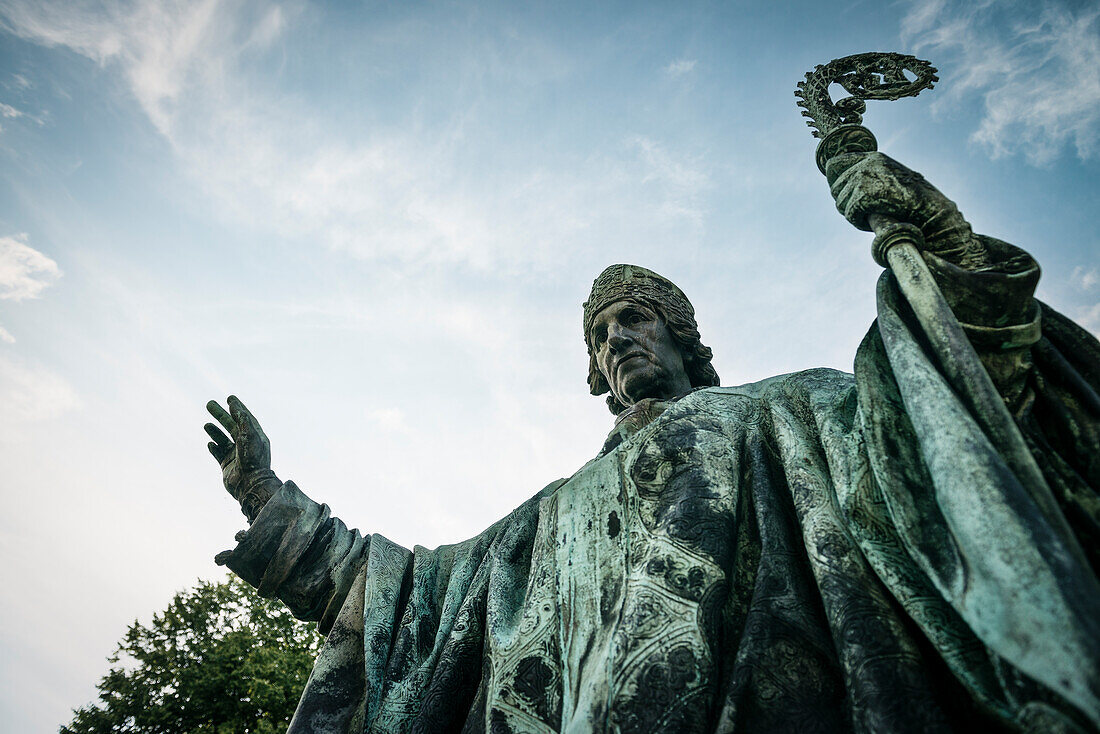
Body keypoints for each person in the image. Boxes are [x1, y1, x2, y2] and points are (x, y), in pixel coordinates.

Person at [204, 151, 1100, 733]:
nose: (617, 340)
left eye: (636, 320)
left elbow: (943, 439)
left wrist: (939, 245)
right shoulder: (550, 520)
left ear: (684, 339)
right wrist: (267, 501)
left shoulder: (787, 410)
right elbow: (412, 600)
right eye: (601, 334)